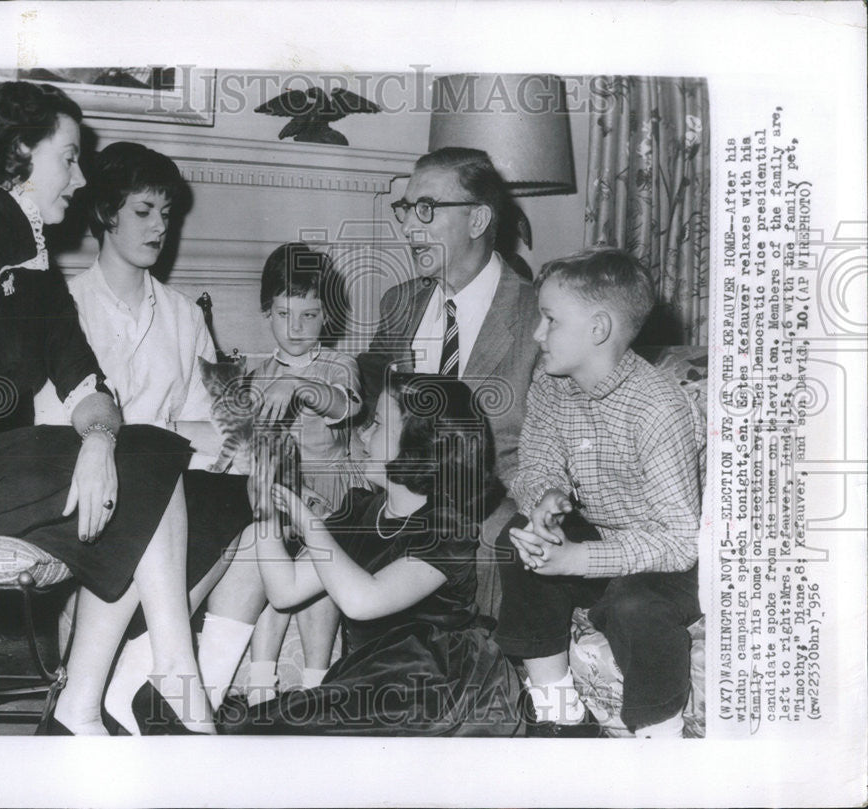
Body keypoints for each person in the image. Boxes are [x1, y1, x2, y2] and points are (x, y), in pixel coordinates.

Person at [0, 82, 211, 735]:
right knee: (152, 458)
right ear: (20, 151)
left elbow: (85, 381)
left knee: (143, 453)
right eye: (68, 157)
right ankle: (171, 689)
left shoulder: (34, 263)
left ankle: (95, 700)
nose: (79, 178)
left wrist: (99, 439)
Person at [32, 141, 254, 733]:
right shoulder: (64, 306)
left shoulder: (185, 315)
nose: (161, 226)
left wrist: (161, 437)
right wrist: (159, 438)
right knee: (149, 471)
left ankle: (116, 689)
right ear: (105, 213)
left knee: (239, 497)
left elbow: (226, 430)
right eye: (143, 211)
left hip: (170, 496)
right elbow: (58, 430)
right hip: (84, 492)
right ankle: (170, 684)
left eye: (167, 213)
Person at [216, 373, 523, 736]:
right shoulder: (361, 510)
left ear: (418, 447)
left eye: (376, 425)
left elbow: (363, 600)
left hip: (437, 684)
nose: (361, 435)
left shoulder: (447, 528)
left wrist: (309, 522)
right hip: (372, 677)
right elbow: (286, 591)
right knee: (249, 732)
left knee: (270, 737)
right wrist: (264, 505)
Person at [494, 247, 705, 738]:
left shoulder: (657, 408)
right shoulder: (551, 383)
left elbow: (679, 541)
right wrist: (545, 497)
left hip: (665, 558)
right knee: (523, 536)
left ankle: (659, 740)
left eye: (549, 320)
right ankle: (558, 711)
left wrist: (579, 560)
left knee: (636, 609)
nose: (536, 334)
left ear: (598, 329)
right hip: (601, 538)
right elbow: (538, 461)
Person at [357, 147, 541, 615]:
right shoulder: (400, 303)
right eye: (405, 209)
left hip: (484, 508)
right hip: (395, 496)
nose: (408, 227)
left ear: (478, 220)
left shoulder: (538, 314)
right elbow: (368, 380)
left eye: (427, 209)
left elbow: (556, 446)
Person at [202, 242, 366, 708]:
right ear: (265, 312)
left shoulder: (338, 365)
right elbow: (241, 441)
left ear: (327, 317)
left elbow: (344, 403)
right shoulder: (255, 372)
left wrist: (301, 385)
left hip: (332, 496)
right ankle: (260, 682)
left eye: (310, 316)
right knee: (263, 556)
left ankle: (316, 681)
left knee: (321, 564)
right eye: (283, 313)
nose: (296, 329)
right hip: (276, 493)